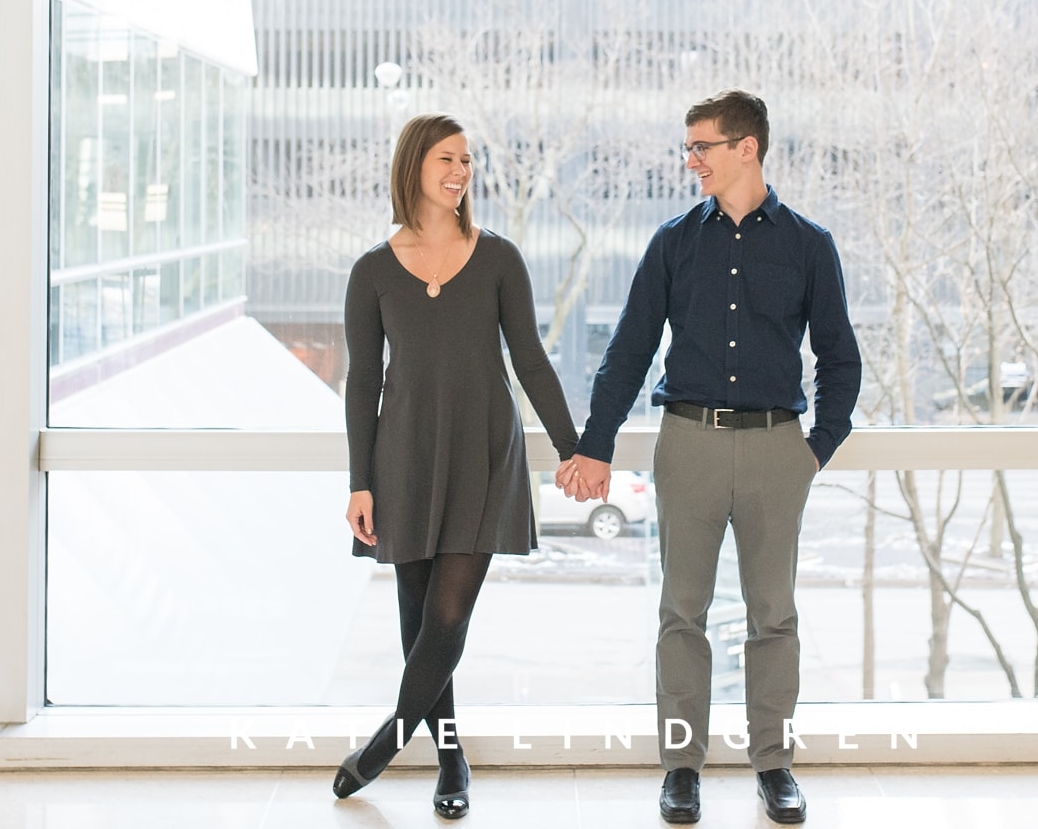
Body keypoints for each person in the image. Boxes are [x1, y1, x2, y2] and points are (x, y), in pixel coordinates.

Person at [556, 90, 860, 826]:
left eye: (703, 147)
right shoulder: (672, 242)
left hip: (775, 448)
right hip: (686, 441)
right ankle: (681, 768)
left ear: (746, 148)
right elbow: (627, 350)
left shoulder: (809, 244)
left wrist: (812, 450)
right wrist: (595, 445)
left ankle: (774, 765)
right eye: (688, 147)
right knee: (680, 613)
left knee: (773, 615)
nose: (690, 160)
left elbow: (840, 357)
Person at [336, 113, 582, 820]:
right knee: (418, 624)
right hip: (402, 456)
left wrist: (573, 444)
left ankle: (388, 737)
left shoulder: (500, 258)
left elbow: (529, 356)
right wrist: (360, 479)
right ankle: (450, 754)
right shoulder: (372, 271)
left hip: (483, 450)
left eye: (467, 160)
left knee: (446, 616)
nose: (461, 170)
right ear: (414, 164)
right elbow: (361, 383)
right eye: (448, 157)